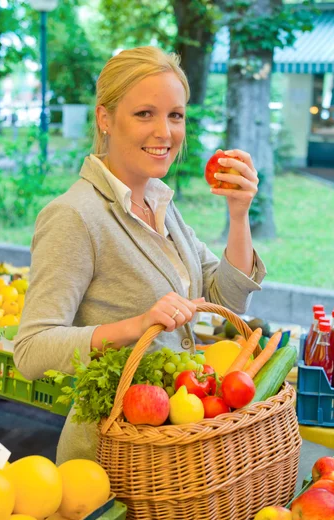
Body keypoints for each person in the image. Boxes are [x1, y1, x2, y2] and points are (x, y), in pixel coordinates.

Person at [14, 46, 266, 465]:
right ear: (105, 119)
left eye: (175, 115)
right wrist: (136, 325)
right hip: (111, 458)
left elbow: (225, 301)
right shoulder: (74, 216)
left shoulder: (160, 202)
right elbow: (31, 351)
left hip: (170, 448)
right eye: (144, 114)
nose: (165, 132)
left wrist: (239, 216)